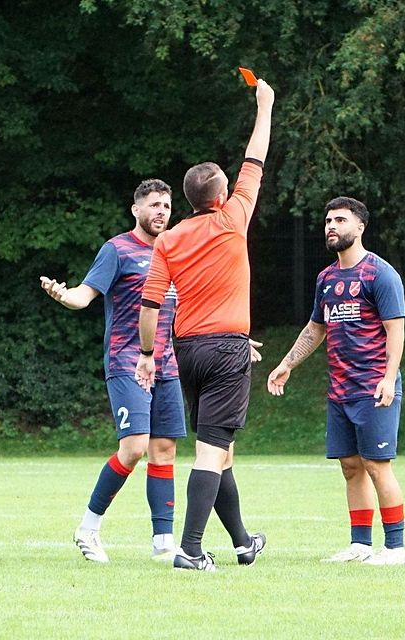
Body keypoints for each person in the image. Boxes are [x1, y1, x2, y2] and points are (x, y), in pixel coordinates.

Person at [135, 78, 275, 571]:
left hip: (187, 351)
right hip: (225, 353)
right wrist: (266, 104)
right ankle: (190, 550)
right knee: (211, 454)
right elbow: (255, 158)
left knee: (222, 450)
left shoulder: (167, 240)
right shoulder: (233, 217)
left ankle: (242, 542)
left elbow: (150, 306)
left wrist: (150, 356)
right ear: (220, 198)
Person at [40, 178, 186, 563]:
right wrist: (64, 295)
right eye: (153, 205)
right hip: (127, 362)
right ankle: (88, 527)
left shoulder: (175, 252)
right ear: (135, 209)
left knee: (164, 450)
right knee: (134, 447)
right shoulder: (117, 250)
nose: (161, 212)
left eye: (167, 207)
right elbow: (83, 296)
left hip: (167, 364)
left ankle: (163, 542)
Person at [266, 196, 405, 566]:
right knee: (350, 466)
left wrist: (389, 379)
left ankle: (395, 549)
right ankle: (360, 544)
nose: (331, 226)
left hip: (374, 387)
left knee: (378, 465)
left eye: (340, 220)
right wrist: (287, 364)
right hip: (340, 390)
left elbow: (396, 330)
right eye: (328, 220)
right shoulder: (326, 278)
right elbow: (316, 328)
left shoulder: (380, 274)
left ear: (360, 227)